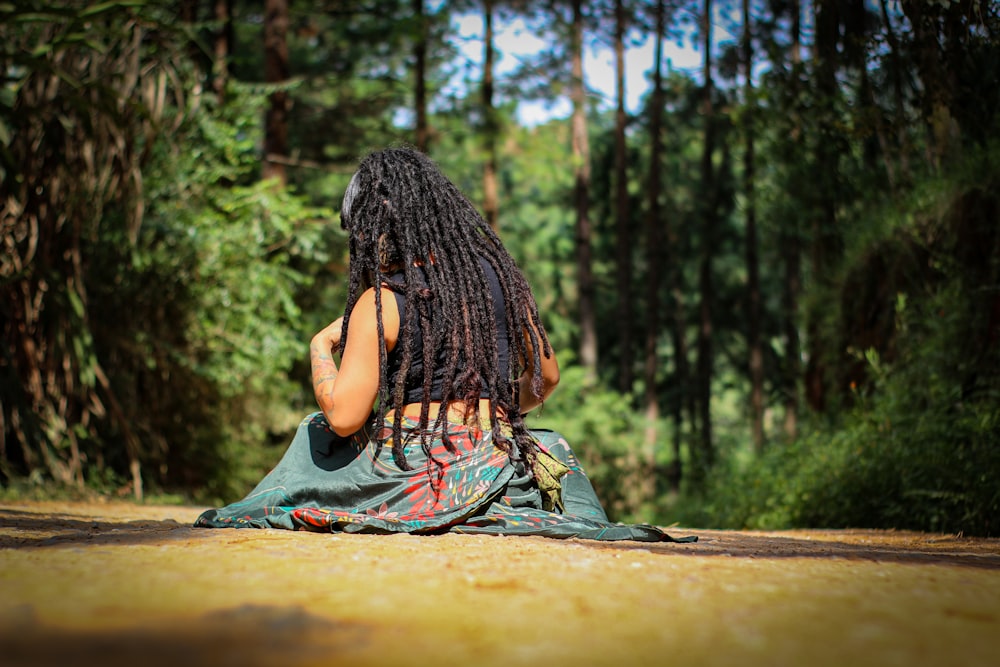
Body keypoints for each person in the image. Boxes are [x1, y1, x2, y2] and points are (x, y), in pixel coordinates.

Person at [195, 146, 695, 543]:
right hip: (500, 460)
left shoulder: (383, 302)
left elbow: (345, 416)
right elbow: (546, 378)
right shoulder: (501, 281)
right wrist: (492, 415)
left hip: (418, 466)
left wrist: (319, 347)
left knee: (316, 432)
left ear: (377, 230)